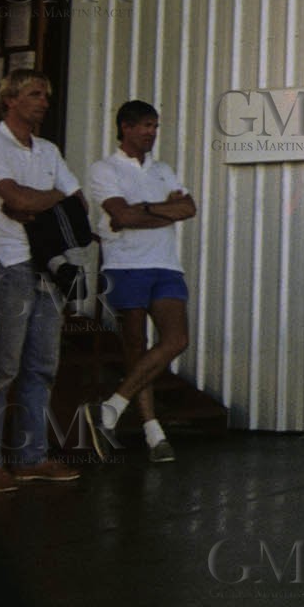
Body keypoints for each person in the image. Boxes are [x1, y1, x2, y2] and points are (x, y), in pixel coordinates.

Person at [0, 70, 85, 492]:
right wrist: (47, 200)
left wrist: (37, 204)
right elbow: (13, 197)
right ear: (10, 99)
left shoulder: (48, 150)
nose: (44, 102)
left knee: (42, 366)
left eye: (46, 95)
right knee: (2, 367)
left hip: (47, 264)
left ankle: (31, 457)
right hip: (9, 262)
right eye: (35, 94)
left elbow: (78, 203)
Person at [80, 101, 198, 463]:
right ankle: (152, 432)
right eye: (145, 125)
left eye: (155, 126)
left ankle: (111, 408)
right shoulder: (105, 169)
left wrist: (143, 209)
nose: (151, 132)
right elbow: (120, 215)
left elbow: (189, 208)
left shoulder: (163, 170)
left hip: (165, 265)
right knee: (136, 346)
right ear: (125, 127)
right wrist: (162, 211)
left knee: (176, 339)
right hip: (125, 264)